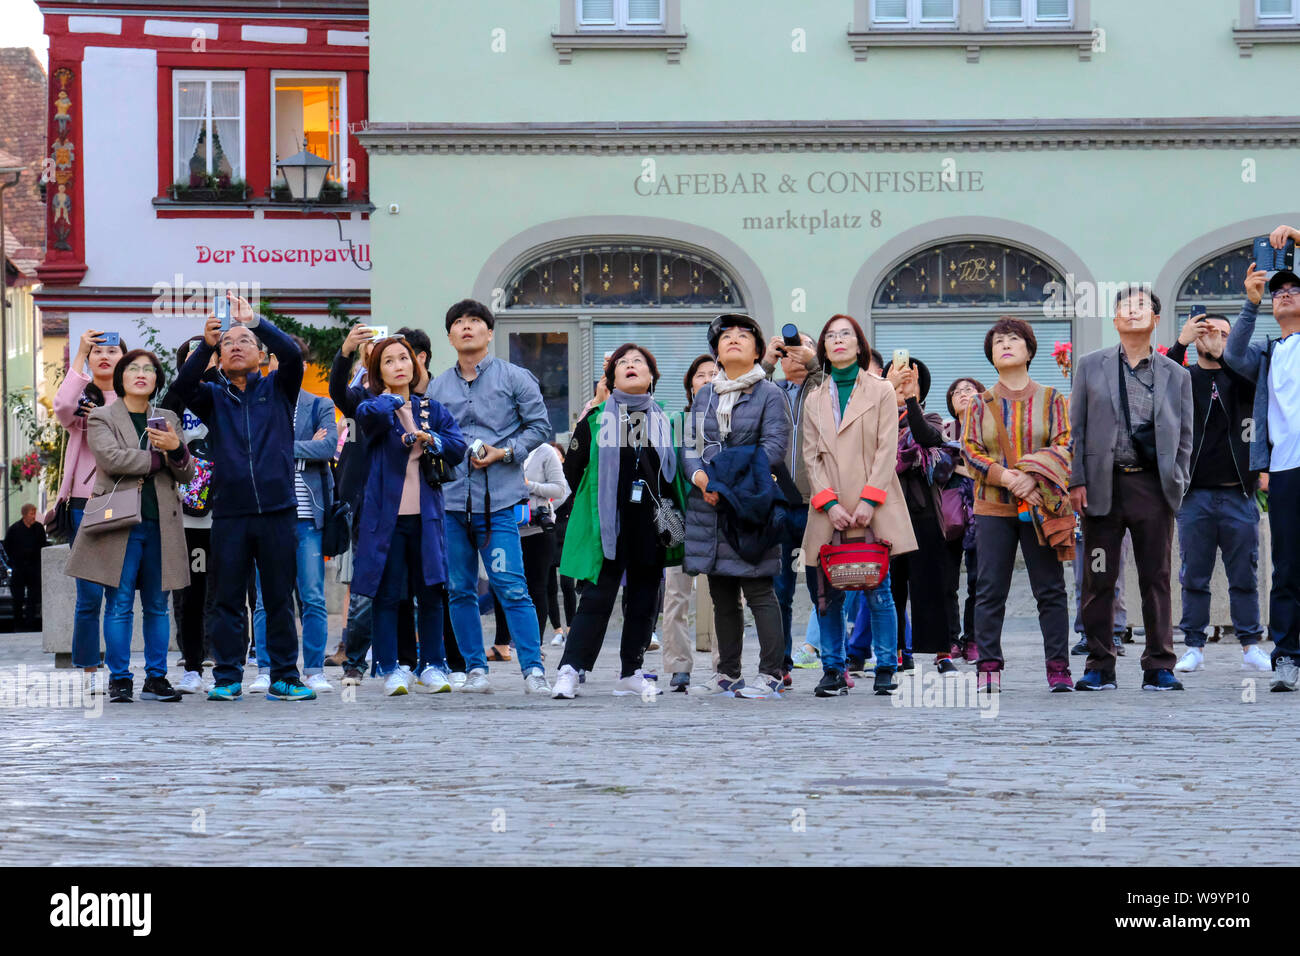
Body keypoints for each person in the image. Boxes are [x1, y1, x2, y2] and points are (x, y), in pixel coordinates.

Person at [174, 293, 316, 701]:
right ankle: (227, 677)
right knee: (228, 600)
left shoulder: (279, 388)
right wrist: (205, 344)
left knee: (278, 599)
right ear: (220, 356)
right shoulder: (213, 398)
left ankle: (285, 676)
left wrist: (256, 321)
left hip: (278, 510)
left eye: (246, 341)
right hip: (232, 513)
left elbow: (292, 356)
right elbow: (183, 385)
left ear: (259, 352)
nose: (237, 346)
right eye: (229, 343)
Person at [1069, 285, 1193, 691]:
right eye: (1125, 306)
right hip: (1103, 489)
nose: (1133, 312)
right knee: (1099, 576)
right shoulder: (1090, 365)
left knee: (1155, 577)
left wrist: (1177, 480)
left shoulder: (1177, 375)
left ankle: (1159, 664)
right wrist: (1077, 480)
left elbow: (1186, 437)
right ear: (1115, 319)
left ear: (1156, 319)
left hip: (1152, 489)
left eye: (1143, 306)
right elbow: (1078, 429)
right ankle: (1099, 663)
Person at [427, 299, 552, 696]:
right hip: (449, 502)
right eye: (459, 323)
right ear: (449, 335)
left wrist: (506, 452)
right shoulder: (437, 386)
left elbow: (540, 426)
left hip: (498, 501)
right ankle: (475, 669)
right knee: (460, 589)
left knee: (512, 586)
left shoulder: (515, 377)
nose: (467, 327)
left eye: (475, 321)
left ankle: (533, 669)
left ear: (489, 332)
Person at [552, 344, 687, 699]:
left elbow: (675, 479)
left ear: (652, 377)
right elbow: (570, 472)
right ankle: (570, 668)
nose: (630, 366)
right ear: (611, 380)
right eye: (622, 363)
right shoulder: (596, 421)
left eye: (638, 362)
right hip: (607, 524)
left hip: (651, 524)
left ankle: (632, 670)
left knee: (644, 600)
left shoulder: (668, 422)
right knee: (596, 598)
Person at [65, 350, 194, 703]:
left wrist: (178, 450)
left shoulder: (166, 417)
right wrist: (164, 455)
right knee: (119, 602)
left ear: (157, 380)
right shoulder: (102, 416)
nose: (141, 374)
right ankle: (120, 678)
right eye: (133, 368)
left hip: (161, 523)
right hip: (119, 521)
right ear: (121, 377)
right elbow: (112, 459)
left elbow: (188, 471)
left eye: (149, 370)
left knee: (157, 604)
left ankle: (156, 678)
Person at [802, 315, 914, 696]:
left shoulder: (881, 390)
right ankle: (832, 668)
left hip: (874, 504)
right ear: (824, 348)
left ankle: (885, 666)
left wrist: (870, 499)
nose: (838, 341)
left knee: (878, 590)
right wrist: (829, 503)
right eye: (830, 335)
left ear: (859, 344)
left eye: (845, 334)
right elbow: (810, 457)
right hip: (828, 508)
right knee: (828, 593)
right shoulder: (815, 398)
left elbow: (888, 448)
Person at [961, 319, 1075, 693]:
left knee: (1050, 589)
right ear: (991, 355)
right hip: (993, 507)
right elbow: (970, 451)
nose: (1006, 345)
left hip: (1041, 507)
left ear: (1029, 350)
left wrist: (1028, 474)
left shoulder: (1053, 399)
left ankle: (1058, 667)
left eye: (1014, 340)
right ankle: (988, 666)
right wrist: (1007, 478)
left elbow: (1065, 443)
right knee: (990, 588)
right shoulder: (979, 403)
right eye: (998, 342)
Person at [683, 313, 792, 699]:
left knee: (759, 590)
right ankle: (727, 673)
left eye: (742, 336)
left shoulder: (770, 394)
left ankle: (772, 673)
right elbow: (690, 448)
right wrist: (703, 480)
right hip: (708, 506)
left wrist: (728, 483)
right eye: (725, 336)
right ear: (716, 351)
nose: (732, 340)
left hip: (749, 504)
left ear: (758, 351)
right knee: (721, 592)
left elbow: (774, 448)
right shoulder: (704, 395)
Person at [353, 335, 467, 695]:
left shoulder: (432, 409)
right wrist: (393, 402)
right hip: (386, 519)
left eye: (404, 358)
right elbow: (368, 417)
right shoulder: (374, 407)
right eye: (389, 361)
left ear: (415, 365)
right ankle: (391, 667)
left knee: (431, 590)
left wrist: (431, 438)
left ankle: (433, 664)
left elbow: (458, 447)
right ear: (378, 371)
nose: (399, 365)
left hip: (427, 516)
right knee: (388, 594)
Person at [1167, 311, 1269, 674]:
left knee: (1244, 573)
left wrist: (1225, 357)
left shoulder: (1241, 378)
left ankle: (1250, 645)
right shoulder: (1183, 377)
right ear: (1196, 337)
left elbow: (1247, 381)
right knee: (1194, 574)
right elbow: (1157, 381)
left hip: (1239, 493)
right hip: (1194, 495)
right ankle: (1193, 645)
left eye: (1226, 334)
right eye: (1209, 332)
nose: (1217, 339)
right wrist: (1180, 342)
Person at [1226, 232, 1300, 691]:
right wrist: (1251, 304)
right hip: (1289, 471)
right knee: (1288, 566)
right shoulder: (1271, 353)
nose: (1284, 295)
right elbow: (1232, 354)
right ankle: (1289, 655)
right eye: (1278, 293)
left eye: (1293, 289)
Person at [249, 334, 339, 694]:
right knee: (264, 597)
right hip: (268, 514)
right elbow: (252, 449)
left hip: (308, 518)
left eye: (295, 362)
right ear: (268, 363)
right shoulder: (258, 403)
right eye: (277, 360)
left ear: (302, 367)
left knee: (313, 595)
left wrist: (281, 448)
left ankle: (314, 668)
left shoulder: (318, 404)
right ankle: (265, 668)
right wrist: (304, 449)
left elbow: (329, 446)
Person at [53, 328, 124, 695]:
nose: (104, 356)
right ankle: (89, 666)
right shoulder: (80, 398)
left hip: (123, 500)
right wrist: (77, 355)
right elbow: (62, 407)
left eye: (113, 350)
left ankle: (119, 669)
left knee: (119, 593)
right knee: (90, 593)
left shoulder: (132, 399)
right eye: (98, 351)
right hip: (84, 502)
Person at [886, 354, 962, 672]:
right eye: (897, 381)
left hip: (922, 513)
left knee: (932, 583)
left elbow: (926, 439)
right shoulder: (876, 418)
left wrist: (911, 400)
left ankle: (941, 652)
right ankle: (899, 652)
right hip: (887, 511)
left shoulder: (929, 418)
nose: (902, 387)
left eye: (909, 381)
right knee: (893, 588)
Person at [159, 336, 219, 694]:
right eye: (197, 357)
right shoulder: (174, 401)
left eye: (210, 356)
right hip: (186, 516)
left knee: (227, 591)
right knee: (190, 594)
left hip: (227, 512)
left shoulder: (228, 393)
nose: (205, 363)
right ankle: (192, 663)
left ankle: (230, 662)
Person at [762, 329, 821, 684]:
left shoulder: (822, 389)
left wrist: (809, 357)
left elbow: (824, 377)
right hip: (778, 503)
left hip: (818, 504)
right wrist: (767, 360)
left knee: (823, 591)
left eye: (803, 349)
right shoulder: (770, 392)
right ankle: (779, 665)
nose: (793, 356)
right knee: (778, 591)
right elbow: (746, 392)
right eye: (788, 351)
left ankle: (833, 661)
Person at [661, 355, 720, 689]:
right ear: (690, 384)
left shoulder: (732, 419)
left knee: (723, 596)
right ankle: (678, 665)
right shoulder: (676, 422)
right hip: (679, 517)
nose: (708, 380)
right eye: (701, 375)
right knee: (677, 595)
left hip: (719, 517)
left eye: (715, 374)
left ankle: (725, 663)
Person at [944, 377, 985, 663]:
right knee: (947, 582)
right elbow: (938, 466)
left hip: (981, 512)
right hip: (948, 511)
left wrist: (960, 464)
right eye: (957, 392)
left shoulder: (989, 428)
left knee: (978, 581)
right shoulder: (944, 428)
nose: (962, 394)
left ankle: (972, 638)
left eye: (968, 389)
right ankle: (949, 640)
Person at [520, 439, 569, 646]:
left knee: (537, 588)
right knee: (513, 589)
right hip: (509, 529)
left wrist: (530, 487)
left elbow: (560, 490)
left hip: (538, 530)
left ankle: (535, 644)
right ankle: (509, 642)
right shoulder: (505, 446)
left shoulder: (545, 452)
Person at [5, 503, 47, 629]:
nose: (34, 516)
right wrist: (13, 562)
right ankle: (18, 623)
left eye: (35, 513)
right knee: (18, 597)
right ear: (24, 515)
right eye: (31, 514)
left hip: (34, 568)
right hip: (19, 568)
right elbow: (7, 546)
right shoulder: (14, 529)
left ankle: (30, 623)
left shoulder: (39, 528)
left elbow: (43, 546)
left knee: (33, 597)